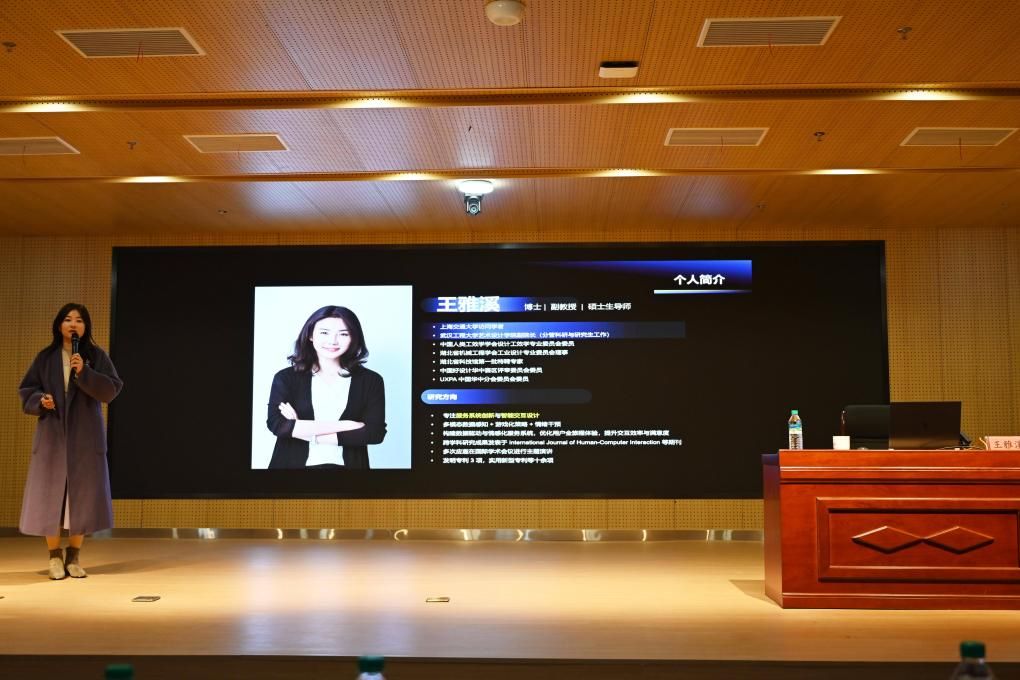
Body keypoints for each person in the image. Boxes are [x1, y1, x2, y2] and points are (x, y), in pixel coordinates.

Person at [18, 303, 123, 580]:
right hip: (52, 434)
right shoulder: (45, 357)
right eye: (67, 319)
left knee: (82, 497)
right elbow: (27, 390)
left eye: (79, 320)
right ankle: (54, 556)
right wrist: (40, 400)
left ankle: (74, 556)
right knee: (50, 495)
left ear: (86, 327)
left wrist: (84, 372)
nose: (73, 324)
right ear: (59, 325)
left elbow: (111, 390)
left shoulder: (96, 356)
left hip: (85, 436)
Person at [266, 305, 386, 469]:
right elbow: (278, 425)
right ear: (310, 335)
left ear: (354, 338)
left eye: (343, 334)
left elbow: (375, 432)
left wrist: (303, 429)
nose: (333, 341)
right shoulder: (286, 378)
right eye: (324, 332)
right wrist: (347, 425)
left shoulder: (370, 380)